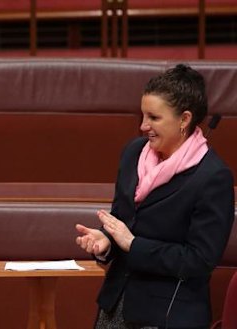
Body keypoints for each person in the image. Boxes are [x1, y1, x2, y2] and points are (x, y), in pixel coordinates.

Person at [75, 64, 235, 329]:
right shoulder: (133, 153)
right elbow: (123, 220)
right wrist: (106, 242)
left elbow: (200, 260)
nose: (142, 126)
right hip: (114, 309)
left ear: (184, 119)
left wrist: (132, 244)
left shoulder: (213, 177)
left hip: (167, 315)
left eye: (153, 118)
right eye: (142, 115)